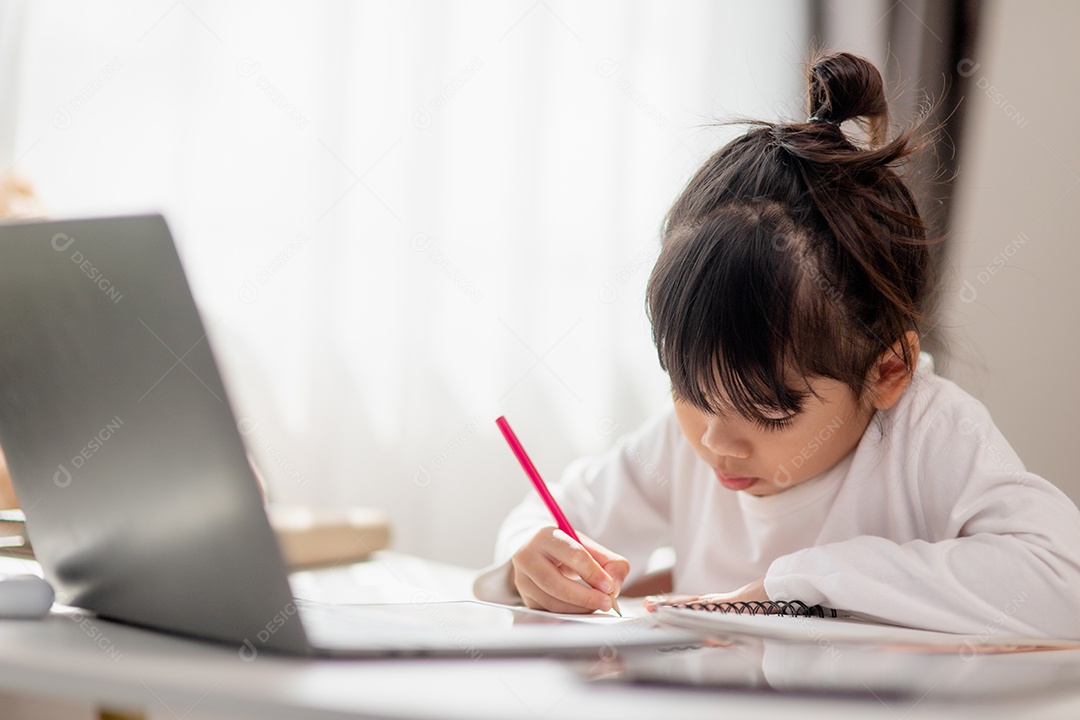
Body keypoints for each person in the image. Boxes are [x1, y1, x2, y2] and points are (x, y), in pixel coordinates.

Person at [473, 52, 1080, 638]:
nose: (716, 442)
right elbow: (551, 521)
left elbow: (1064, 583)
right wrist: (532, 561)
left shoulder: (927, 435)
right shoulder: (687, 441)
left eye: (765, 410)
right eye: (689, 390)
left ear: (888, 370)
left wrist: (803, 585)